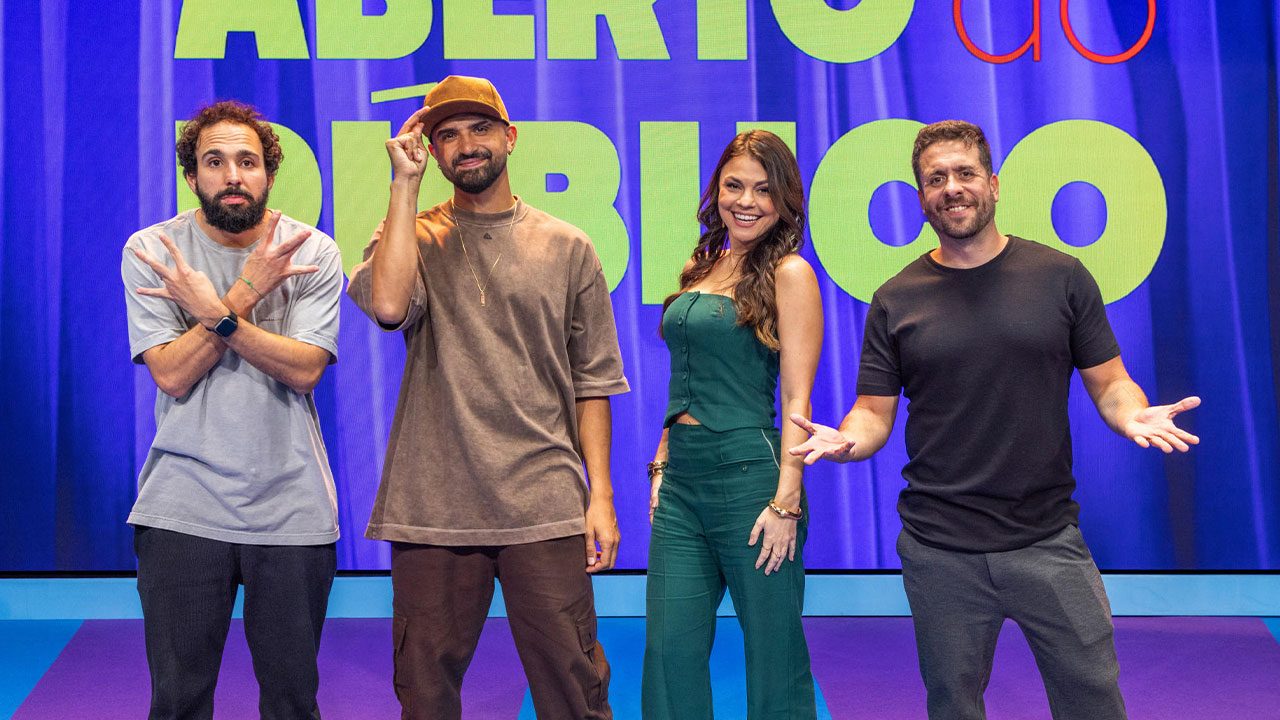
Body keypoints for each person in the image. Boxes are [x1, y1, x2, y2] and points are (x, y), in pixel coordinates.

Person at [790, 120, 1200, 720]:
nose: (951, 188)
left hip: (1047, 539)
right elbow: (873, 413)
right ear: (921, 196)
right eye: (936, 179)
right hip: (940, 550)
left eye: (964, 173)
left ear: (994, 183)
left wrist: (1133, 412)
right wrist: (848, 441)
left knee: (1094, 702)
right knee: (953, 705)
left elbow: (1110, 381)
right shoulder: (895, 299)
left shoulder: (1061, 277)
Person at [346, 75, 628, 720]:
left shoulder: (569, 246)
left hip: (545, 498)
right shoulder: (407, 235)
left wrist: (602, 495)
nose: (465, 145)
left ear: (511, 137)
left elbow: (593, 381)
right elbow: (388, 307)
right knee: (424, 689)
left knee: (574, 685)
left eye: (478, 129)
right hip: (434, 500)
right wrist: (404, 185)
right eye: (446, 134)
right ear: (432, 150)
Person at [121, 100, 343, 720]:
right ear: (192, 176)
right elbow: (170, 373)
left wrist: (216, 310)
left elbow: (303, 371)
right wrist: (247, 294)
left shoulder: (310, 250)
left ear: (269, 173)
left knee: (294, 701)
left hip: (291, 507)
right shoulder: (154, 249)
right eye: (214, 162)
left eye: (248, 161)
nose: (233, 175)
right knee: (178, 700)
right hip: (181, 507)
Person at [642, 130, 823, 719]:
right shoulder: (705, 265)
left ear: (784, 201)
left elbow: (798, 393)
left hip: (754, 482)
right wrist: (662, 464)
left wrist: (787, 502)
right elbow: (682, 382)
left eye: (763, 190)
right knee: (669, 653)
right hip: (682, 486)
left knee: (774, 655)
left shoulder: (791, 273)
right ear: (716, 190)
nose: (745, 201)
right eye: (733, 185)